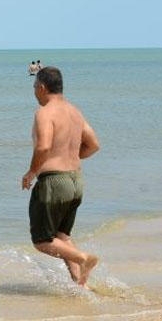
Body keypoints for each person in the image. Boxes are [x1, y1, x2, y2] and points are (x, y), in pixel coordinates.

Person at [21, 66, 100, 287]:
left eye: (35, 86)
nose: (34, 91)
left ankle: (83, 258)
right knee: (62, 236)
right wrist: (69, 158)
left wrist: (31, 172)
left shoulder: (44, 113)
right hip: (75, 181)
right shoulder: (75, 112)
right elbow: (94, 145)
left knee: (42, 241)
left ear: (42, 87)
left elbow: (44, 146)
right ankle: (79, 284)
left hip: (54, 183)